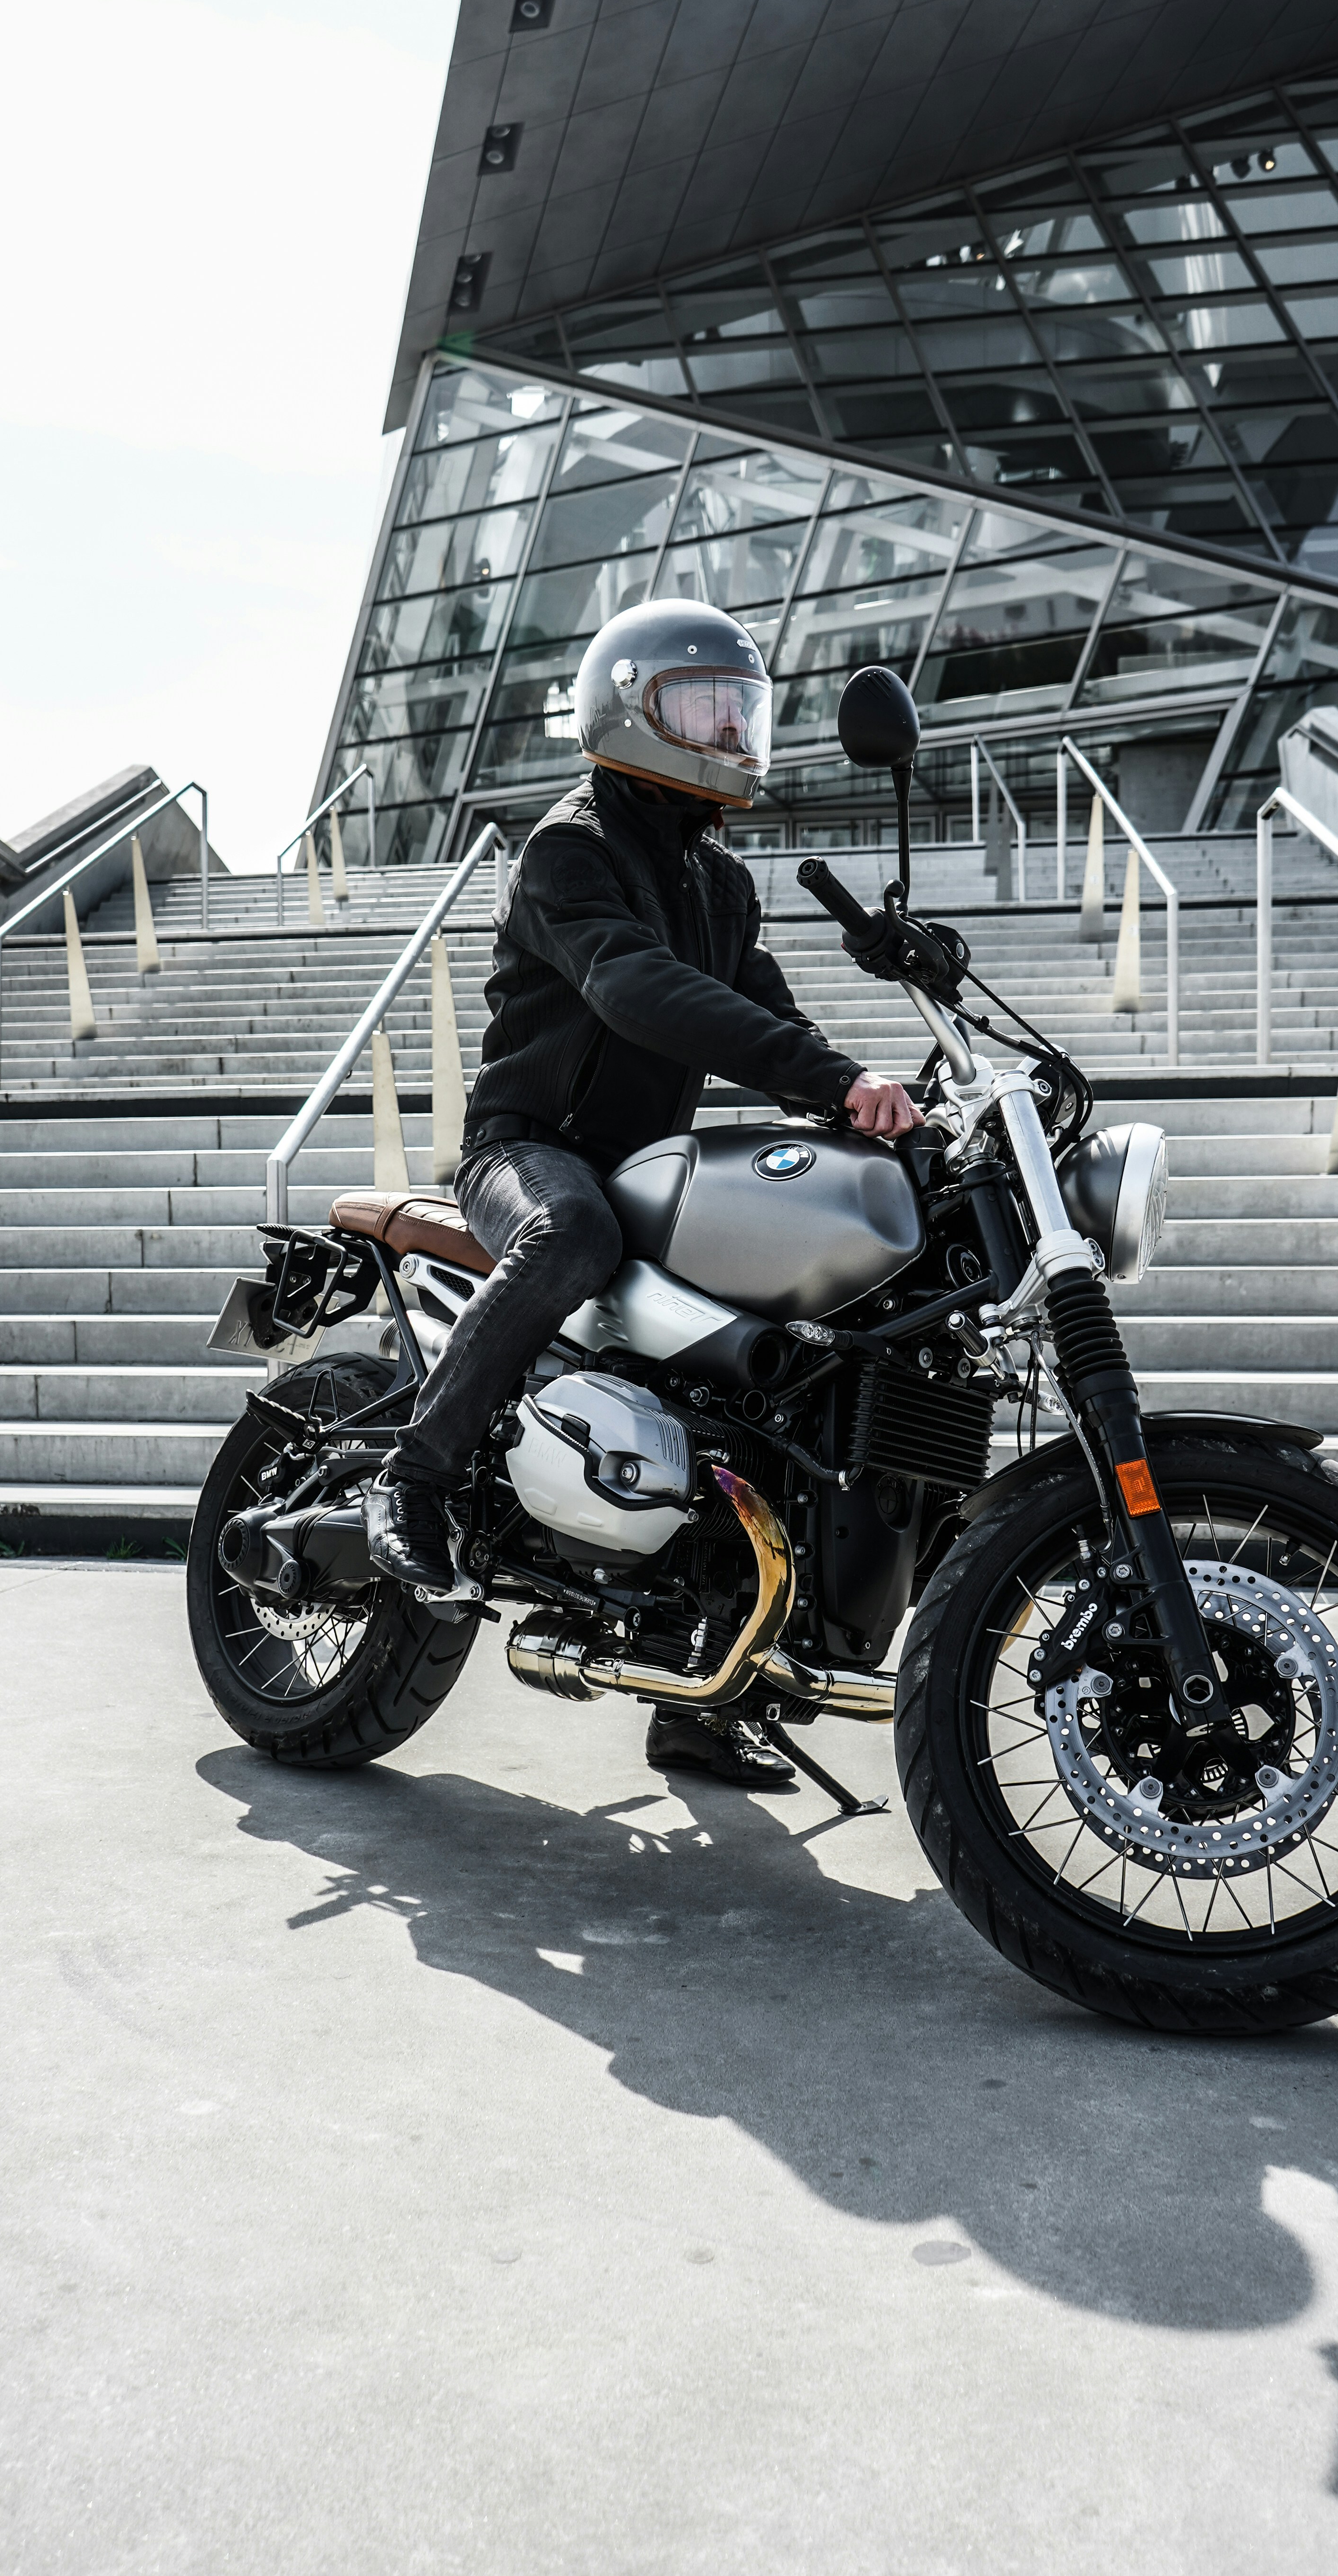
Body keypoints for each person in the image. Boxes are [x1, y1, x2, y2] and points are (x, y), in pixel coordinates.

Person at [364, 597, 921, 1786]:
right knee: (571, 1231)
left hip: (645, 1171)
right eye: (703, 708)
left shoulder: (720, 884)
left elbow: (767, 1009)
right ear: (628, 708)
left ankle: (700, 1690)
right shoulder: (569, 848)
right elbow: (636, 986)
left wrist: (866, 1101)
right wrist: (824, 1074)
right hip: (531, 1151)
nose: (729, 733)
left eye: (740, 711)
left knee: (787, 1343)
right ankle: (410, 1481)